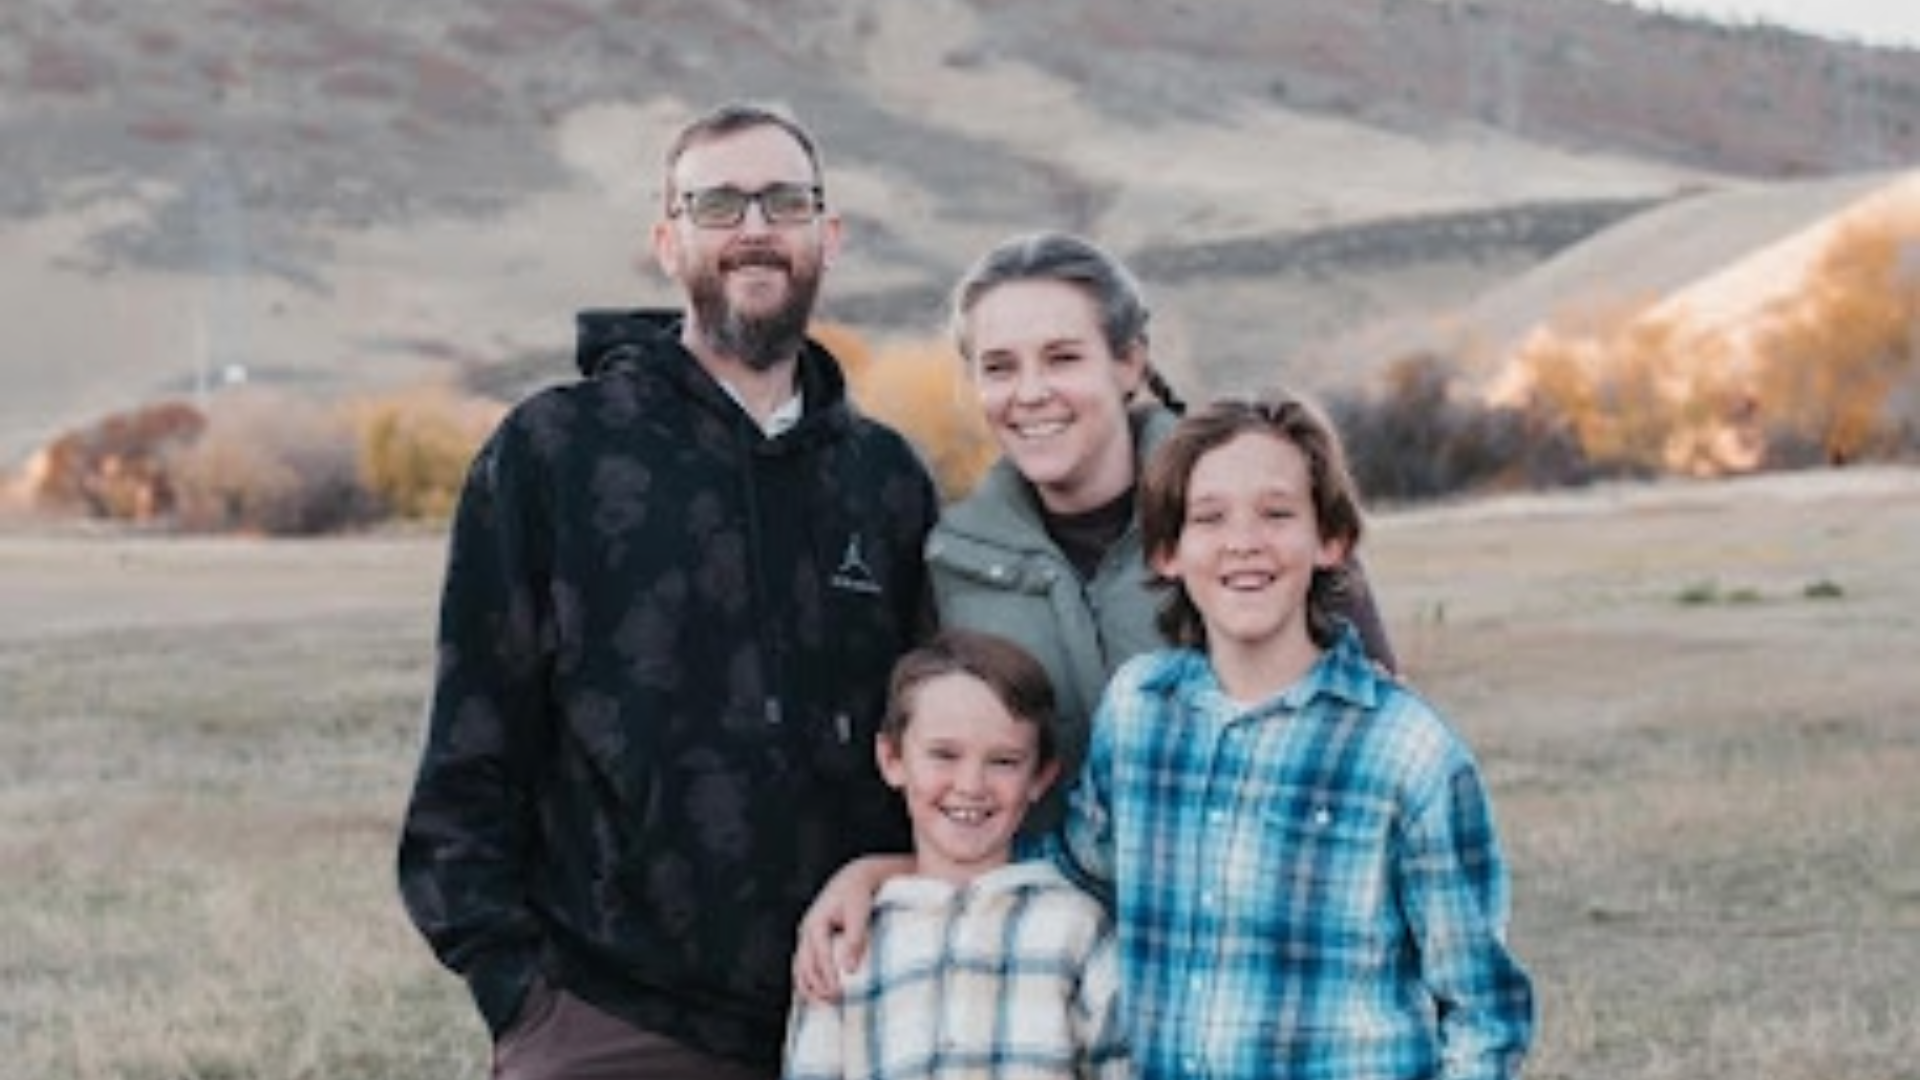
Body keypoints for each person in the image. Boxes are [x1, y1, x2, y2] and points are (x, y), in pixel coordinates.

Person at [396, 101, 939, 1079]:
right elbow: (473, 732)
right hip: (610, 1016)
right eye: (718, 204)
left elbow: (931, 733)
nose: (755, 228)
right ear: (666, 241)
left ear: (830, 234)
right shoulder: (556, 450)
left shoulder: (887, 479)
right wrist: (519, 994)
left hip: (858, 1007)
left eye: (785, 200)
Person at [800, 392, 1534, 1080]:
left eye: (1277, 513)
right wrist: (885, 874)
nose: (1242, 543)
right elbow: (1069, 865)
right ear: (1167, 554)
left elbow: (1483, 1012)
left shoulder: (1407, 749)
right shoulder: (1141, 709)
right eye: (1209, 518)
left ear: (1332, 540)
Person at [925, 231, 1397, 834]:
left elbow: (1377, 747)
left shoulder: (1259, 533)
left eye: (1063, 358)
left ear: (1129, 363)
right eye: (999, 367)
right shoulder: (954, 563)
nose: (1031, 393)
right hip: (1045, 917)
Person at [781, 629, 1128, 1080]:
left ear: (1040, 777)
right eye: (944, 754)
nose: (970, 785)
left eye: (1003, 761)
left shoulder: (1078, 928)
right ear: (892, 759)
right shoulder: (845, 941)